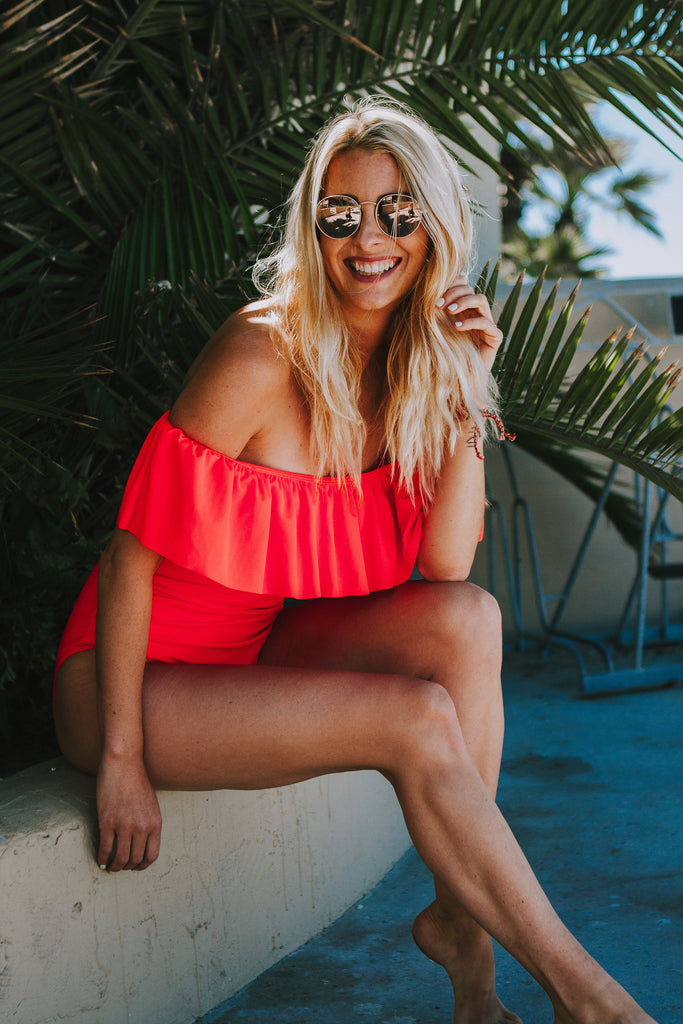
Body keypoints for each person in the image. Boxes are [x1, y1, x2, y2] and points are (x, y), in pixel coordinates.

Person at [53, 98, 656, 1024]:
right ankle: (592, 1001)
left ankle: (464, 938)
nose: (367, 238)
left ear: (432, 226)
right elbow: (127, 556)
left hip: (250, 657)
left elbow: (447, 567)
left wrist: (467, 388)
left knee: (470, 622)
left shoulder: (414, 367)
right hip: (128, 680)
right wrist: (122, 759)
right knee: (413, 719)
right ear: (314, 225)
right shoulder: (260, 352)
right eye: (341, 213)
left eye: (395, 212)